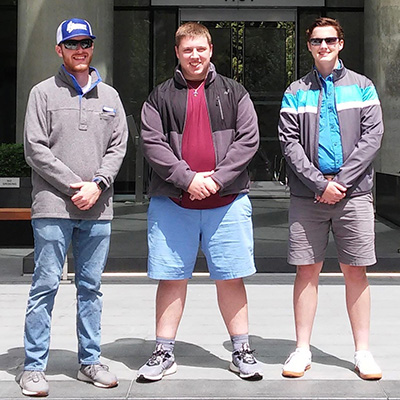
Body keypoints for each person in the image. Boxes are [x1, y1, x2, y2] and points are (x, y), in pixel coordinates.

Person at [138, 22, 263, 382]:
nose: (195, 55)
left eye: (201, 49)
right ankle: (164, 351)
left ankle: (241, 349)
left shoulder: (234, 91)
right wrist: (188, 179)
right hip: (173, 202)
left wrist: (217, 180)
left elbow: (248, 141)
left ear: (211, 51)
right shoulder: (159, 96)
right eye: (187, 49)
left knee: (230, 277)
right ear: (177, 53)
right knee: (171, 278)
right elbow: (153, 144)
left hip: (227, 202)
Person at [17, 18, 128, 397]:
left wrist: (96, 185)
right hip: (52, 207)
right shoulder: (42, 93)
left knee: (91, 287)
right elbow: (35, 149)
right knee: (45, 284)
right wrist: (73, 185)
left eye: (86, 43)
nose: (80, 49)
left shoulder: (111, 97)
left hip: (98, 208)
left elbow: (119, 148)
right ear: (59, 49)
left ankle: (90, 361)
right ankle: (33, 366)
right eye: (72, 43)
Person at [278, 17, 383, 380]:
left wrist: (341, 181)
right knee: (307, 271)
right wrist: (318, 184)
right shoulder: (295, 90)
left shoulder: (363, 87)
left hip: (353, 194)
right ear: (308, 46)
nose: (323, 46)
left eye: (329, 40)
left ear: (341, 43)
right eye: (316, 41)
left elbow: (373, 137)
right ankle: (301, 349)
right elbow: (288, 143)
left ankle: (363, 352)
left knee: (356, 271)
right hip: (309, 196)